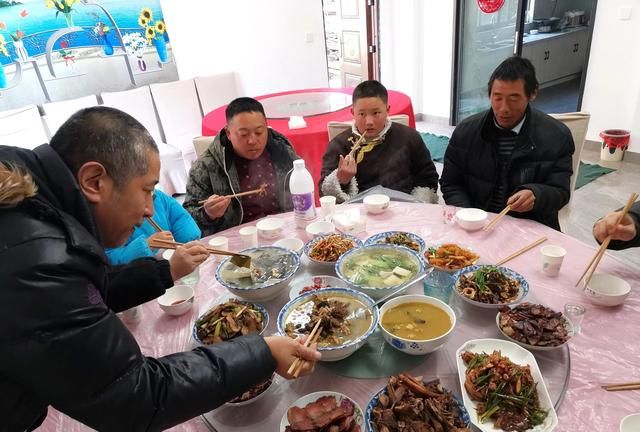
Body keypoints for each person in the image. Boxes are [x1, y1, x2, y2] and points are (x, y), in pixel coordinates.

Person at [0, 107, 319, 431]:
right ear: (94, 181)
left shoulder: (34, 207)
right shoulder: (37, 259)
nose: (150, 209)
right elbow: (135, 395)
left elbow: (89, 292)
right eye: (147, 190)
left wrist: (163, 273)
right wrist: (262, 353)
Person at [440, 56, 574, 230]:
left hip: (529, 229)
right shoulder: (467, 131)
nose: (504, 108)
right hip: (476, 227)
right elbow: (451, 183)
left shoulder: (556, 136)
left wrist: (536, 194)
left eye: (514, 98)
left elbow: (561, 192)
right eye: (497, 97)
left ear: (532, 93)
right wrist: (470, 216)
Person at [183, 97, 298, 236]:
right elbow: (186, 220)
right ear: (228, 133)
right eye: (243, 134)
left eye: (259, 132)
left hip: (285, 230)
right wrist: (207, 214)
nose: (252, 140)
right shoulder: (206, 166)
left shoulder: (281, 149)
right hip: (239, 239)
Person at [319, 80, 439, 203]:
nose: (369, 121)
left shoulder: (409, 137)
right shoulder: (339, 144)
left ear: (387, 110)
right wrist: (342, 179)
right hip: (357, 214)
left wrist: (415, 206)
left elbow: (428, 178)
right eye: (362, 114)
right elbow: (325, 194)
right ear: (353, 113)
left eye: (376, 113)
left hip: (403, 209)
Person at [105, 188, 201, 265]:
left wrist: (187, 242)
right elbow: (110, 259)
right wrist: (146, 246)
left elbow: (180, 218)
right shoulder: (109, 218)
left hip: (173, 264)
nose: (151, 212)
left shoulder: (159, 197)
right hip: (140, 276)